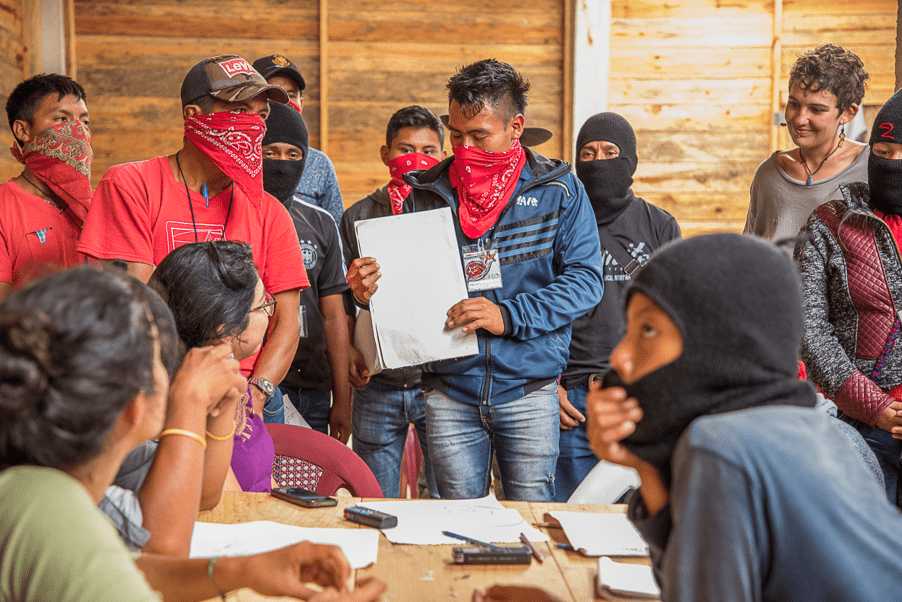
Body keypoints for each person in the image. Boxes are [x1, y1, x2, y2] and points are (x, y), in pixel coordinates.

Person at [476, 233, 902, 602]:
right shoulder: (830, 434)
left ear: (716, 344)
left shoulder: (721, 445)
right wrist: (642, 462)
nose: (621, 357)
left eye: (647, 330)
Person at [0, 267, 386, 602]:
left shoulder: (32, 489)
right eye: (159, 361)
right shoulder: (50, 513)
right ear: (133, 406)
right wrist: (188, 405)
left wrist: (242, 571)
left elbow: (130, 571)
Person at [348, 59, 604, 501]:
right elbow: (407, 290)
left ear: (516, 126)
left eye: (480, 136)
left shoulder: (559, 190)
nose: (464, 148)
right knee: (454, 526)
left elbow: (585, 281)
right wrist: (372, 295)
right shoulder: (424, 192)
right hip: (449, 395)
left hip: (529, 391)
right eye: (457, 135)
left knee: (530, 523)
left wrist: (508, 315)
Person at [77, 55, 307, 425]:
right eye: (238, 109)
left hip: (245, 393)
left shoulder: (270, 211)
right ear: (193, 114)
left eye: (260, 114)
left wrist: (257, 393)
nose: (253, 124)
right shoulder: (131, 185)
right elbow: (138, 307)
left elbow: (287, 321)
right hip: (157, 389)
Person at [554, 112, 681, 502]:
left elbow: (675, 318)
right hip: (569, 403)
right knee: (565, 520)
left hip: (635, 400)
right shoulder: (557, 223)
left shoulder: (659, 225)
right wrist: (547, 385)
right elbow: (536, 305)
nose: (599, 162)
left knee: (634, 529)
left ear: (631, 161)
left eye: (611, 152)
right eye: (588, 153)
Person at [795, 87, 902, 507]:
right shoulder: (830, 223)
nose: (892, 163)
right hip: (861, 427)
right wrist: (873, 406)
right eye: (884, 150)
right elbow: (810, 328)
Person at [340, 105, 446, 498]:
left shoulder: (451, 212)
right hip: (377, 385)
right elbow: (338, 299)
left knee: (444, 499)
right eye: (405, 148)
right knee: (375, 502)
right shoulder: (357, 216)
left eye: (429, 150)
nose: (417, 158)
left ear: (442, 156)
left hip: (439, 383)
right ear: (386, 154)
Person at [261, 101, 352, 442]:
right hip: (255, 383)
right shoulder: (235, 219)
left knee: (305, 487)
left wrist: (342, 398)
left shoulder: (320, 223)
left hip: (312, 388)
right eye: (270, 152)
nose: (282, 164)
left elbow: (334, 316)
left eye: (293, 155)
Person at [744, 43, 869, 241]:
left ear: (847, 113)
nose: (800, 119)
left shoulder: (870, 168)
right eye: (794, 104)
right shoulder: (768, 174)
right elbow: (753, 252)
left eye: (816, 110)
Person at [0, 73, 93, 296]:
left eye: (85, 121)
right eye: (62, 119)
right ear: (23, 131)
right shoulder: (4, 208)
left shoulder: (102, 204)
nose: (78, 131)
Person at [253, 54, 344, 224]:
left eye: (290, 95)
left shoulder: (320, 164)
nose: (283, 102)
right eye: (272, 94)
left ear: (301, 103)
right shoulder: (235, 159)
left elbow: (335, 227)